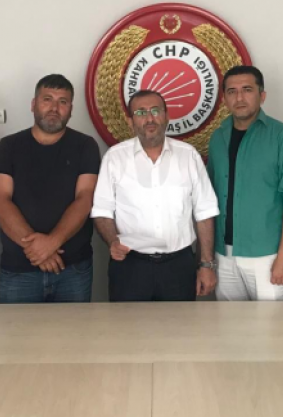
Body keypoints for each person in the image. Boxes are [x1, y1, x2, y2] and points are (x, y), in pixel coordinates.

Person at [92, 90, 220, 301]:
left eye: (155, 110)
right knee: (126, 323)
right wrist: (112, 241)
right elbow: (102, 211)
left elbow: (204, 212)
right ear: (130, 121)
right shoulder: (114, 158)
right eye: (141, 112)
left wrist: (206, 264)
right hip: (129, 266)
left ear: (167, 116)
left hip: (179, 266)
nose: (149, 118)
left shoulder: (188, 156)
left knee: (179, 323)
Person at [0, 74, 101, 303]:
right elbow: (0, 200)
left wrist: (51, 243)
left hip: (72, 270)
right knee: (15, 329)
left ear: (71, 109)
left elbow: (85, 198)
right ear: (33, 104)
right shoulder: (8, 146)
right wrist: (39, 251)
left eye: (63, 101)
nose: (54, 108)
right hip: (19, 270)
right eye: (47, 99)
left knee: (74, 328)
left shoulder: (85, 145)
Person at [207, 65, 283, 301]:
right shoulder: (218, 137)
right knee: (229, 323)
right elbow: (208, 199)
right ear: (224, 99)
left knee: (271, 324)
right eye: (232, 91)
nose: (239, 97)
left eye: (247, 89)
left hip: (267, 256)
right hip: (223, 256)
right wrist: (208, 258)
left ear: (262, 95)